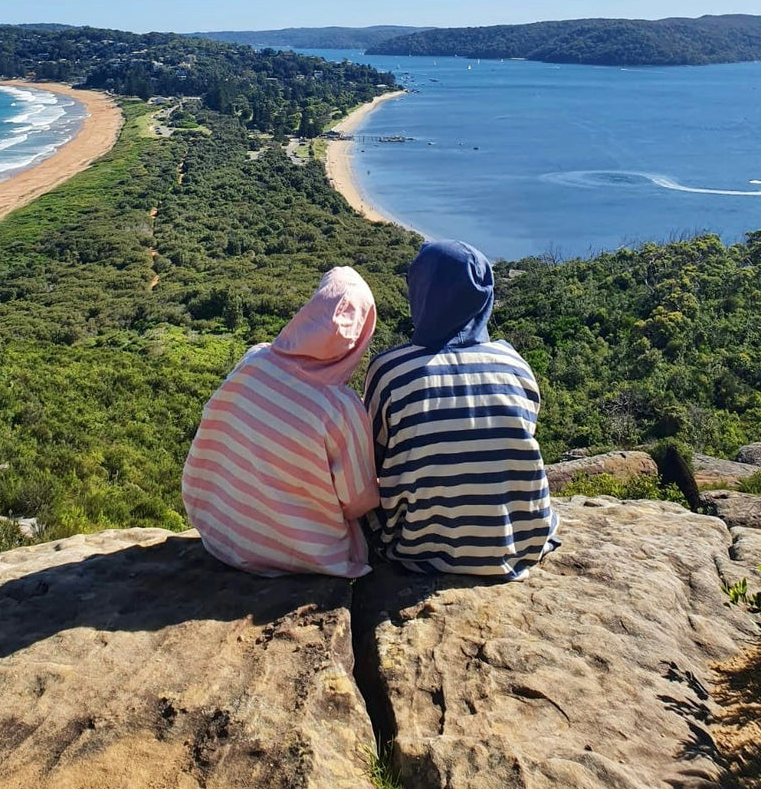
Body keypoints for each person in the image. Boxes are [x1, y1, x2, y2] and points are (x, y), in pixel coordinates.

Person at [364, 240, 558, 579]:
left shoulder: (390, 371)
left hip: (416, 549)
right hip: (519, 544)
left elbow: (372, 462)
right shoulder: (515, 366)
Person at [182, 267, 379, 577]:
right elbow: (358, 503)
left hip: (217, 533)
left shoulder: (254, 359)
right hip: (302, 557)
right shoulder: (341, 409)